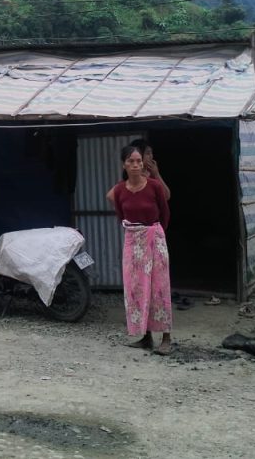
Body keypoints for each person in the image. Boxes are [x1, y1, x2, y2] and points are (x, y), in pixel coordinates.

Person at [107, 144, 173, 356]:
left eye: (138, 161)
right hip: (132, 242)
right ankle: (145, 336)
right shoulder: (119, 190)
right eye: (131, 161)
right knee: (136, 288)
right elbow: (121, 215)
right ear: (124, 165)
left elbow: (165, 213)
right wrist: (137, 234)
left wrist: (155, 234)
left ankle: (165, 337)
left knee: (159, 287)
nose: (135, 165)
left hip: (154, 238)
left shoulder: (154, 186)